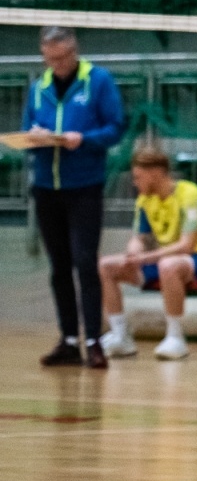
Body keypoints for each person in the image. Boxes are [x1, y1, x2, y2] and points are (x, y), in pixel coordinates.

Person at [25, 26, 126, 369]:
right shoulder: (39, 87)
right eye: (50, 59)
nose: (57, 65)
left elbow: (116, 127)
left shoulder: (98, 80)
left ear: (74, 50)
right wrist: (35, 137)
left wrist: (83, 139)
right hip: (45, 187)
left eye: (63, 58)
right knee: (59, 267)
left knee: (86, 262)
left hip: (84, 186)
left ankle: (94, 340)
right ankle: (68, 339)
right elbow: (28, 126)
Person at [98, 147, 197, 361]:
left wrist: (147, 257)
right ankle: (120, 335)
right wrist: (133, 253)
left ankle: (175, 338)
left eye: (138, 177)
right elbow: (141, 237)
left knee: (169, 265)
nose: (135, 182)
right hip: (162, 258)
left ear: (155, 173)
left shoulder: (190, 194)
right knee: (106, 265)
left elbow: (187, 245)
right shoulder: (145, 200)